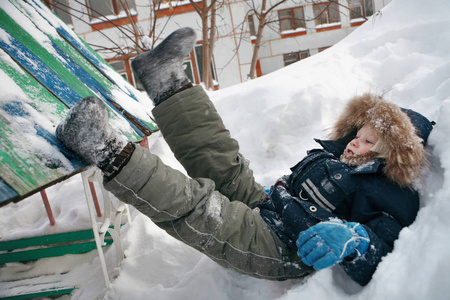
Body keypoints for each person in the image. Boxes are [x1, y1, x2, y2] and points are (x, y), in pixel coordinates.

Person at [56, 28, 434, 286]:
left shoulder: (391, 191)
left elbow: (383, 247)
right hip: (273, 208)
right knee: (224, 163)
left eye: (369, 144)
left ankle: (105, 150)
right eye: (359, 134)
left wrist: (353, 238)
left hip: (287, 249)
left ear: (389, 158)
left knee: (202, 209)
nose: (355, 143)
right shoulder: (339, 159)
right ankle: (166, 81)